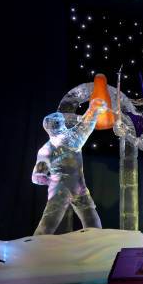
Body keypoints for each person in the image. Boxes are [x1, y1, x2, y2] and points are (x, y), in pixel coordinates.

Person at [32, 97, 106, 235]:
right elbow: (86, 125)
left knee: (48, 225)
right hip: (76, 188)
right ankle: (34, 248)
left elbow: (37, 177)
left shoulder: (45, 149)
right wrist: (94, 108)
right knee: (91, 223)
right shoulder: (71, 138)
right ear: (61, 124)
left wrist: (53, 180)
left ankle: (35, 247)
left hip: (66, 189)